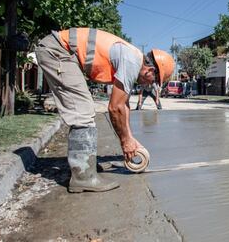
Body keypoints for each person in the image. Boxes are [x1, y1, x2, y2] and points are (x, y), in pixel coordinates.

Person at [35, 28, 174, 193]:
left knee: (84, 109)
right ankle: (83, 177)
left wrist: (130, 138)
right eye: (154, 81)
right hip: (57, 50)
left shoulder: (133, 59)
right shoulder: (131, 63)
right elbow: (115, 108)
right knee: (83, 111)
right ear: (150, 70)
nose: (150, 85)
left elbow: (124, 104)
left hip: (62, 50)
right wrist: (125, 142)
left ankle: (84, 166)